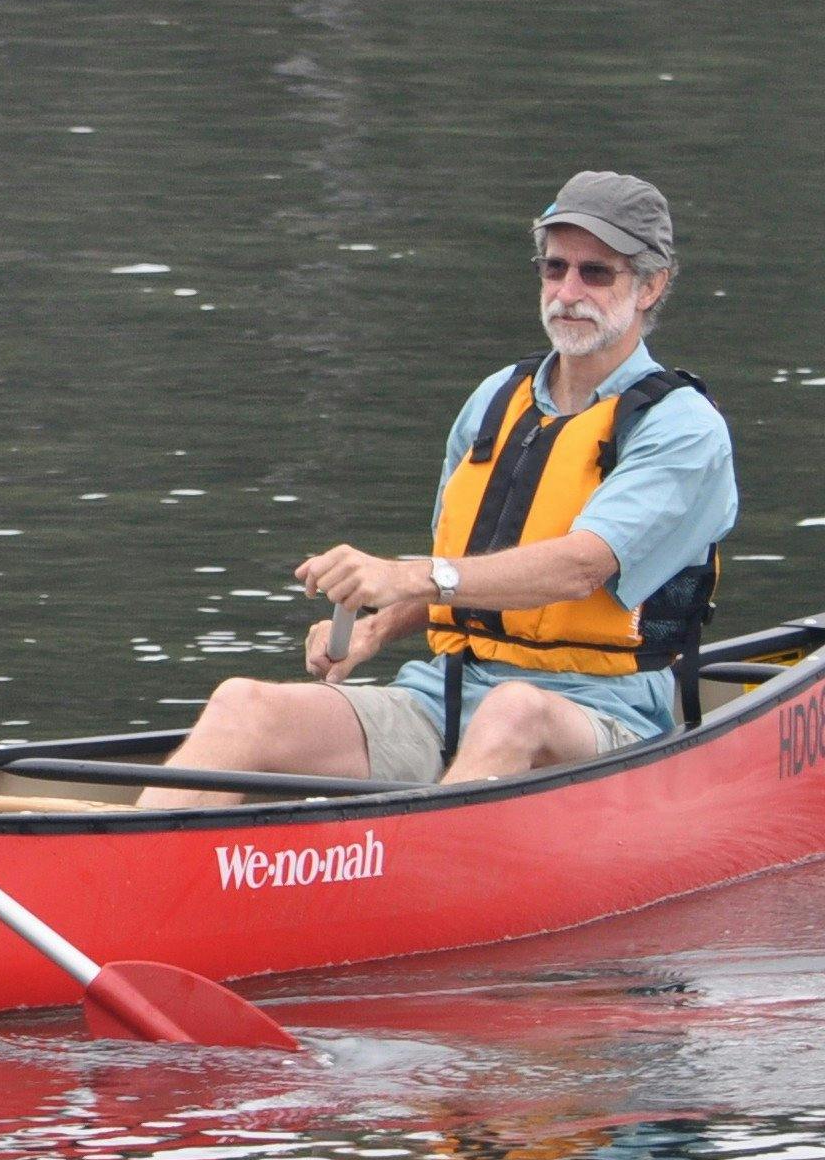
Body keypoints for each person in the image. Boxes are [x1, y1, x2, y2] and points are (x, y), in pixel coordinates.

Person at [140, 171, 734, 808]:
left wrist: (407, 577)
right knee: (241, 704)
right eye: (554, 267)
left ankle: (407, 875)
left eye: (596, 273)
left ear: (650, 286)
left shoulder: (682, 427)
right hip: (444, 695)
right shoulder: (495, 400)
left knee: (513, 713)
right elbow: (477, 575)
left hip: (603, 719)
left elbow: (578, 569)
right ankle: (129, 880)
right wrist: (377, 630)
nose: (567, 292)